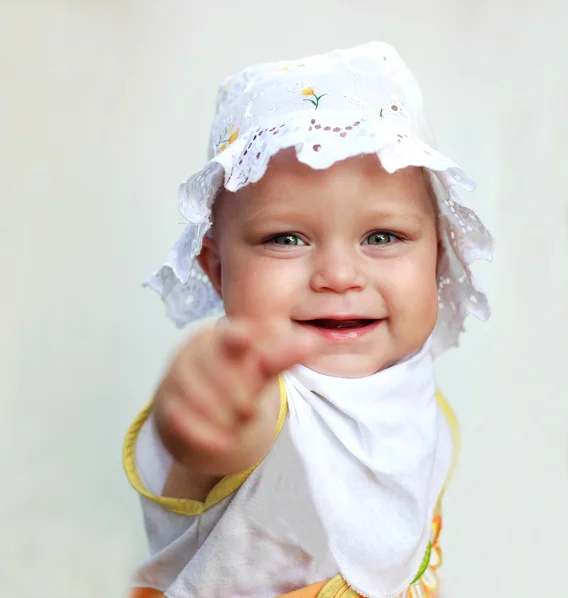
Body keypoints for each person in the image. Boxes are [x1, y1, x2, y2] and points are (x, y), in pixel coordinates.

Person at [123, 41, 493, 598]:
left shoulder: (414, 393)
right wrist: (199, 404)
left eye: (382, 236)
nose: (339, 275)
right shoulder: (263, 403)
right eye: (286, 239)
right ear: (218, 270)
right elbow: (227, 432)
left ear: (439, 254)